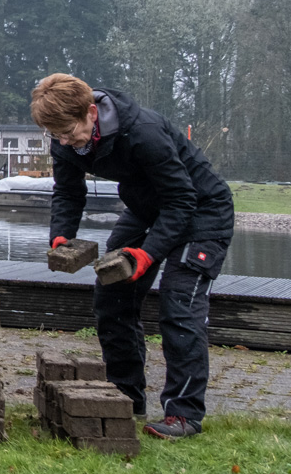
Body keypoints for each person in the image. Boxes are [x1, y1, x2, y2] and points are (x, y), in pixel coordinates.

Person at [33, 73, 234, 440]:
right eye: (55, 135)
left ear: (91, 113)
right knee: (111, 293)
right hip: (146, 208)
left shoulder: (143, 132)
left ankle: (183, 415)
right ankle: (126, 396)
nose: (63, 141)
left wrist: (147, 254)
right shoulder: (64, 141)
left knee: (179, 304)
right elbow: (67, 193)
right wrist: (61, 237)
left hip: (202, 211)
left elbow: (182, 200)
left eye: (68, 131)